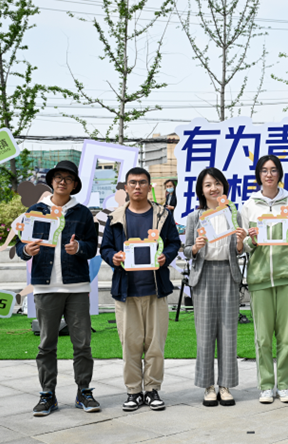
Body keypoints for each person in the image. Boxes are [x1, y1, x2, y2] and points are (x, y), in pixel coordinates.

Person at [15, 160, 100, 417]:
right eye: (58, 177)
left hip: (77, 287)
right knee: (46, 345)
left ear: (75, 185)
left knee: (82, 344)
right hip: (45, 286)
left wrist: (79, 248)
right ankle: (47, 394)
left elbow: (91, 247)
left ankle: (84, 391)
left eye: (68, 178)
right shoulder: (35, 211)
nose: (63, 181)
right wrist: (26, 249)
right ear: (51, 181)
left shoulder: (83, 213)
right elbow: (21, 246)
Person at [100, 167, 181, 412]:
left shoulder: (162, 215)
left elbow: (174, 242)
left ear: (149, 186)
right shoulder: (115, 217)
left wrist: (166, 256)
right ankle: (133, 391)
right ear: (126, 187)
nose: (137, 187)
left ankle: (152, 389)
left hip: (156, 289)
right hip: (127, 291)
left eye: (142, 182)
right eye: (133, 183)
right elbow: (105, 248)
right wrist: (113, 257)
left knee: (155, 345)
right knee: (130, 345)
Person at [240, 154, 288, 404]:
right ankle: (266, 385)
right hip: (259, 277)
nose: (269, 174)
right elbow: (245, 246)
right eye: (264, 170)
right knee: (263, 338)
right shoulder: (249, 205)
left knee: (286, 337)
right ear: (258, 175)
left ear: (280, 174)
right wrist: (251, 239)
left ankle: (285, 385)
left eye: (273, 170)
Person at [183, 167, 246, 407]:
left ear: (224, 187)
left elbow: (239, 250)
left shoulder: (233, 214)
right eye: (208, 184)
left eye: (217, 183)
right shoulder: (195, 217)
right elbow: (186, 250)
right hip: (204, 275)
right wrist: (196, 247)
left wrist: (240, 242)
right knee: (205, 334)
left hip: (228, 274)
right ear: (201, 189)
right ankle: (208, 385)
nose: (213, 188)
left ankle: (225, 385)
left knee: (229, 332)